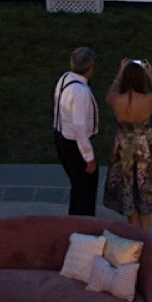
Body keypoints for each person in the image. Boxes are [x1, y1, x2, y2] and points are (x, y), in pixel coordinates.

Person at [103, 58, 152, 230]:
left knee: (128, 188)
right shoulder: (148, 99)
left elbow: (108, 96)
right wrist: (151, 76)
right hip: (144, 147)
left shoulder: (117, 99)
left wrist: (120, 72)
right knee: (144, 189)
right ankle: (144, 234)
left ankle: (132, 231)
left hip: (123, 146)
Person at [53, 47, 100, 216]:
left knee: (78, 185)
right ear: (90, 67)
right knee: (86, 188)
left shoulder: (65, 78)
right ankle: (84, 227)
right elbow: (79, 128)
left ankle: (75, 220)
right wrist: (89, 157)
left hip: (61, 138)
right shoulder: (81, 92)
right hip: (74, 145)